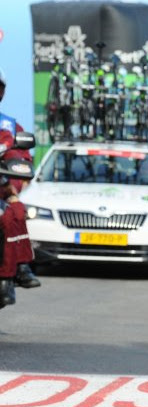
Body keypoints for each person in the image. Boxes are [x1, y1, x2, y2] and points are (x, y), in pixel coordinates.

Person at [0, 67, 40, 291]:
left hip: (2, 190)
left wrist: (13, 184)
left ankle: (21, 268)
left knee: (15, 211)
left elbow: (21, 160)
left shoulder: (9, 126)